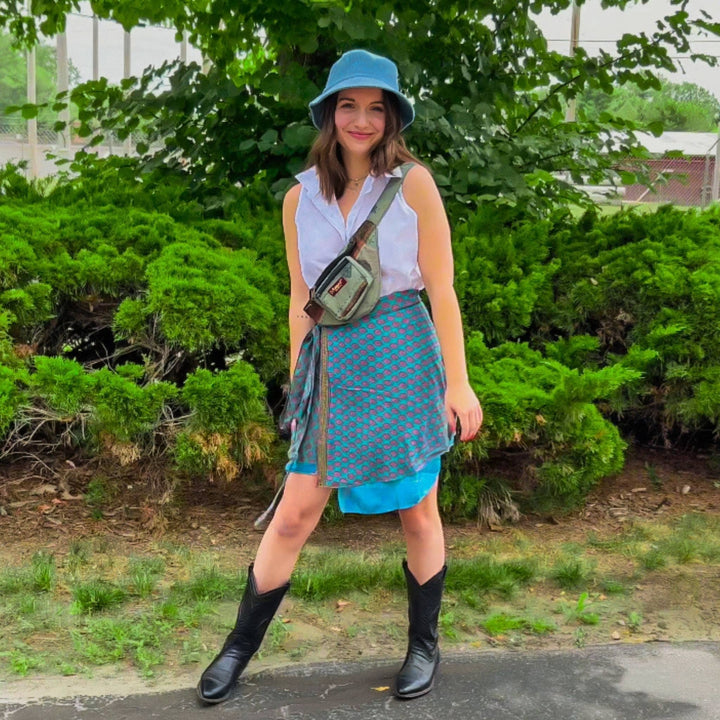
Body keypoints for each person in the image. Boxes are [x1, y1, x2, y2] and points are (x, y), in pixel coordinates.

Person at [197, 48, 483, 705]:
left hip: (405, 355)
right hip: (331, 364)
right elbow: (302, 298)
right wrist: (300, 377)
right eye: (348, 106)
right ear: (329, 114)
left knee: (418, 509)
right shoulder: (300, 197)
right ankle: (237, 648)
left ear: (392, 118)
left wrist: (458, 383)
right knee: (296, 512)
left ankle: (423, 645)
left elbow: (442, 290)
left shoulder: (413, 184)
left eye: (376, 108)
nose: (361, 120)